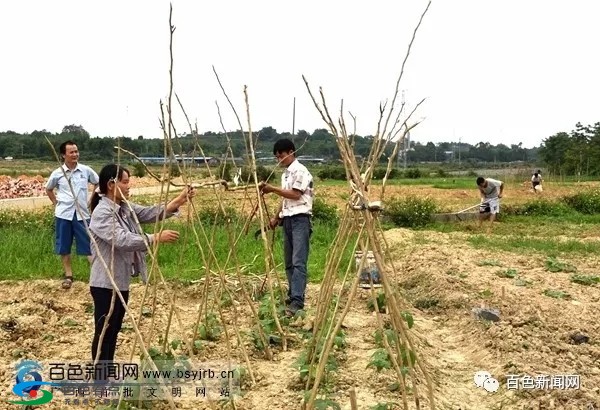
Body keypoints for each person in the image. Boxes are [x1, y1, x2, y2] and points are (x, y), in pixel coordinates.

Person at [88, 164, 195, 372]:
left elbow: (148, 213)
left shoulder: (124, 208)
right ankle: (100, 378)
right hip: (105, 284)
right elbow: (122, 240)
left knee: (114, 329)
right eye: (125, 182)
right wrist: (156, 238)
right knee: (104, 332)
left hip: (120, 281)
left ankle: (106, 372)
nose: (129, 186)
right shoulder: (102, 213)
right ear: (112, 184)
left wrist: (180, 200)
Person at [259, 139, 314, 317]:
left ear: (290, 152)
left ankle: (298, 301)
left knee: (298, 262)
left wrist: (272, 189)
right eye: (277, 158)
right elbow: (285, 199)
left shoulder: (300, 171)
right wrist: (276, 217)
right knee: (289, 262)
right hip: (288, 220)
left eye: (281, 156)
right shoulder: (285, 175)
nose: (279, 160)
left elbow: (296, 195)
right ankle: (292, 297)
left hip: (300, 219)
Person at [45, 140, 99, 289]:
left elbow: (98, 183)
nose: (75, 154)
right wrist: (56, 203)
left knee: (89, 244)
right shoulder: (58, 173)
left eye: (76, 151)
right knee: (64, 245)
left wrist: (91, 199)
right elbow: (48, 189)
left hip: (82, 214)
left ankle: (96, 276)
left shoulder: (85, 170)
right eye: (71, 152)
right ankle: (68, 276)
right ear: (63, 155)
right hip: (64, 214)